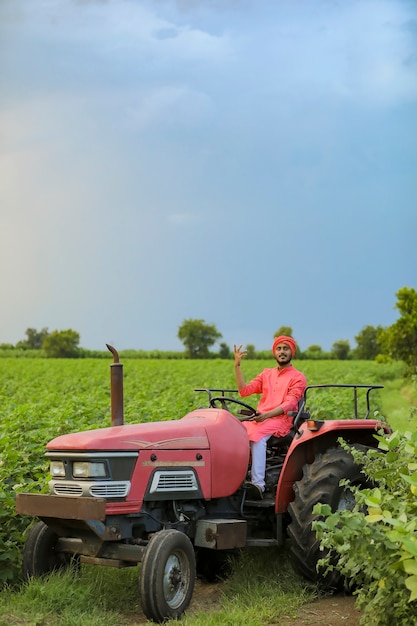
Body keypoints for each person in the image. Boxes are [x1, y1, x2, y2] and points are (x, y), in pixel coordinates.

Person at [234, 335, 306, 499]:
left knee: (258, 438)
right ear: (274, 352)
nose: (282, 352)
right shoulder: (266, 374)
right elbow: (245, 391)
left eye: (286, 348)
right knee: (236, 433)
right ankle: (236, 478)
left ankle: (258, 484)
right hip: (261, 419)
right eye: (279, 349)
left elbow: (289, 404)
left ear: (292, 352)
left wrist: (267, 415)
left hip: (281, 420)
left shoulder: (298, 377)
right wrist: (237, 366)